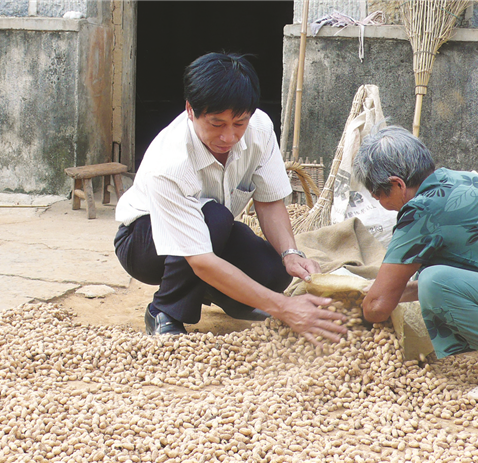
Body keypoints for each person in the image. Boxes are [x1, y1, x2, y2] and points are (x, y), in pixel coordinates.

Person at [114, 52, 346, 345]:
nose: (229, 136)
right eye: (216, 123)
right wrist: (284, 307)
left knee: (273, 272)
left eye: (239, 123)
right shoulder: (170, 161)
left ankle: (215, 292)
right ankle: (164, 312)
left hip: (211, 234)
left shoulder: (260, 129)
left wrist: (290, 253)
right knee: (215, 217)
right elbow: (200, 260)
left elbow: (269, 200)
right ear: (190, 110)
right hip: (144, 242)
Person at [353, 125, 478, 401]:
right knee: (433, 279)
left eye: (379, 196)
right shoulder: (459, 180)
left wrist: (354, 308)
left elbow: (377, 308)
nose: (381, 204)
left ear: (397, 184)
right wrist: (397, 291)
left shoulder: (423, 208)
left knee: (436, 281)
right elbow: (474, 271)